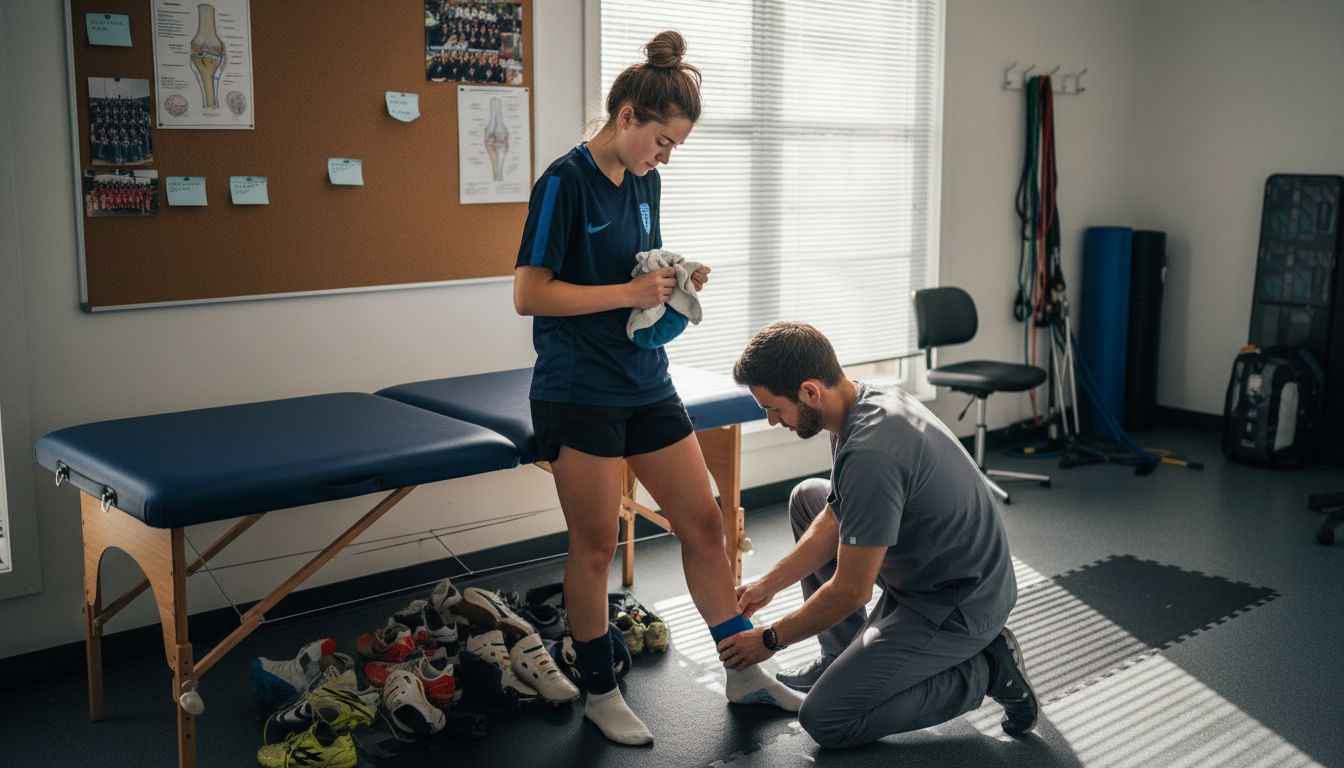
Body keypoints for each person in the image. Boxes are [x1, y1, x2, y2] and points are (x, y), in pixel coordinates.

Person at [512, 30, 804, 746]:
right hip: (577, 389)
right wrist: (628, 289)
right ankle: (601, 690)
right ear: (628, 116)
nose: (668, 155)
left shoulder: (647, 182)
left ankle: (741, 668)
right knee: (594, 545)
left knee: (703, 524)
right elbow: (529, 295)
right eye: (664, 140)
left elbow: (635, 268)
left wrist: (673, 276)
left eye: (675, 145)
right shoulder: (563, 182)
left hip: (644, 380)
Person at [718, 321, 1039, 748]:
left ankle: (986, 670)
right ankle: (842, 657)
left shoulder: (872, 451)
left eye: (774, 408)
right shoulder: (857, 403)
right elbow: (835, 517)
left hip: (957, 601)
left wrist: (770, 639)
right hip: (923, 566)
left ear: (810, 391)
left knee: (827, 720)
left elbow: (852, 591)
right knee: (810, 498)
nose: (773, 421)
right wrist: (769, 583)